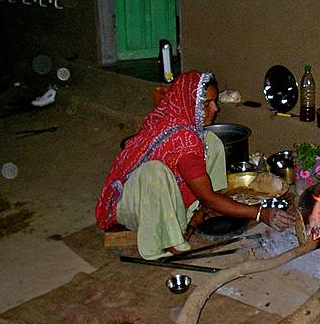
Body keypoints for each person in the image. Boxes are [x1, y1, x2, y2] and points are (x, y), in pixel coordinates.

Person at [95, 70, 295, 259]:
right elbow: (208, 197)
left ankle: (201, 211)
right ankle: (167, 239)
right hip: (134, 206)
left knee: (211, 141)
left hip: (164, 194)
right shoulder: (182, 139)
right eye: (207, 104)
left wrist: (205, 207)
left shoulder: (183, 122)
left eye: (215, 101)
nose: (215, 109)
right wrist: (261, 213)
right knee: (154, 172)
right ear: (188, 104)